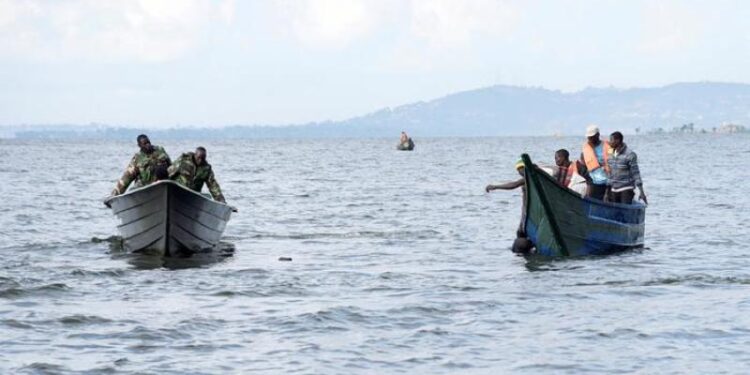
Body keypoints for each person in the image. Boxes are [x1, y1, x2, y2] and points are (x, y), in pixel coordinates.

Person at [607, 131, 647, 204]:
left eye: (611, 140)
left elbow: (636, 174)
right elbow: (610, 172)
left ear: (617, 140)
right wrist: (607, 192)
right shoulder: (610, 153)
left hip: (626, 189)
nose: (609, 142)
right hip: (613, 189)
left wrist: (642, 192)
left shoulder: (630, 155)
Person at [581, 124, 612, 200]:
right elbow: (583, 160)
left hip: (606, 181)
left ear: (598, 135)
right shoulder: (586, 148)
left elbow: (614, 159)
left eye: (592, 137)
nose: (590, 139)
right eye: (589, 137)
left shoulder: (608, 146)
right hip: (593, 181)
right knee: (591, 199)